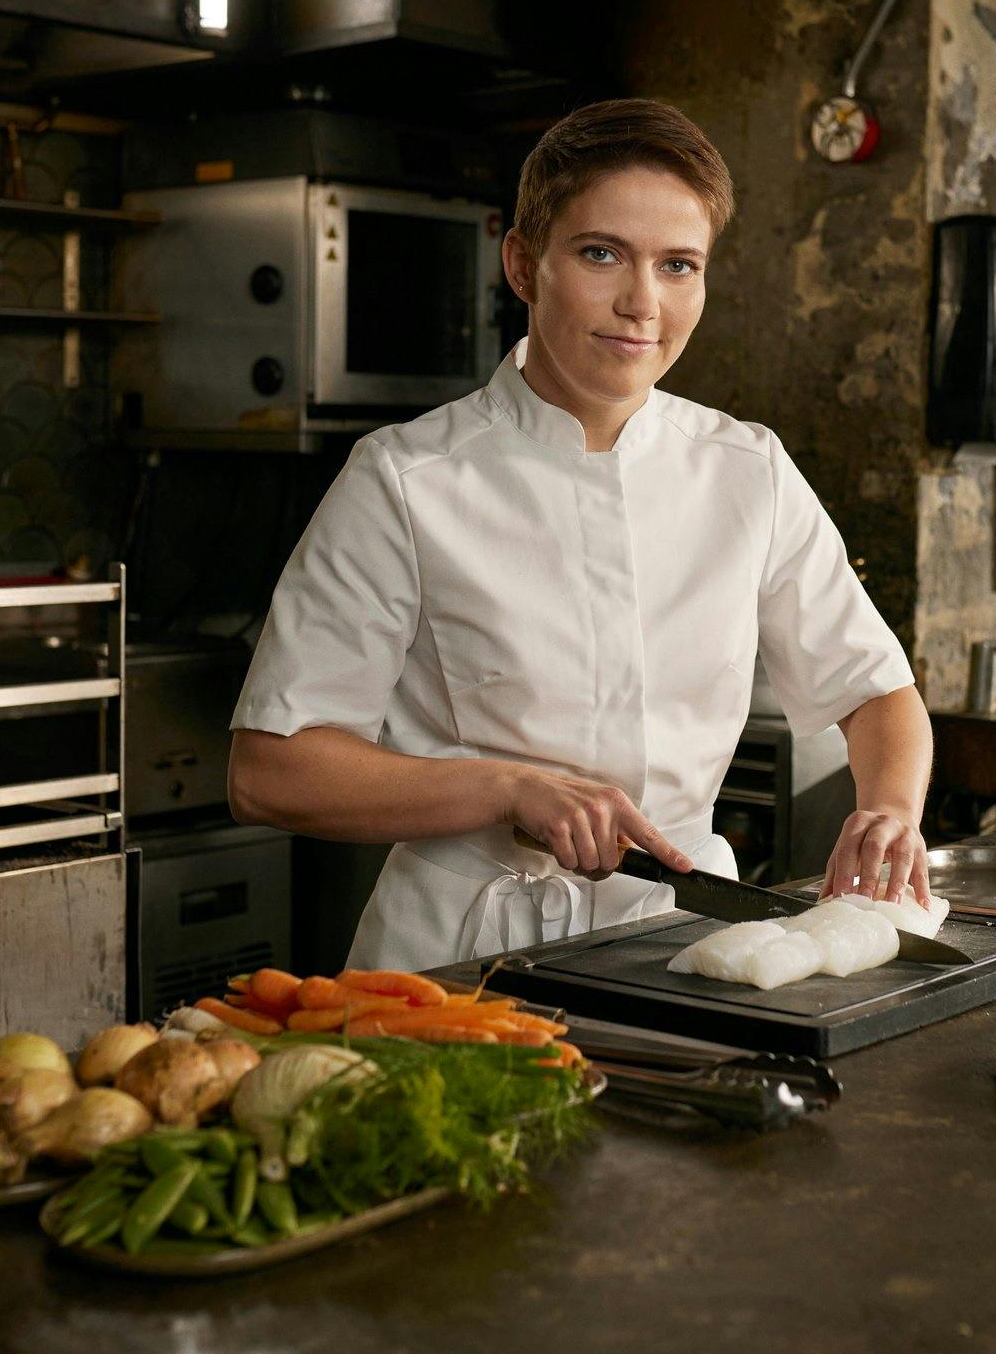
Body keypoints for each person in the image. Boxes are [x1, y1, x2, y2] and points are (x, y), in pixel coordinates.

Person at [227, 98, 933, 970]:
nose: (643, 303)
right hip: (457, 966)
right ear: (524, 265)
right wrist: (506, 787)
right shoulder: (404, 478)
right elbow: (271, 770)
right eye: (603, 254)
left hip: (683, 951)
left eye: (679, 265)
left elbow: (876, 691)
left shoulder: (748, 469)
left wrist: (890, 809)